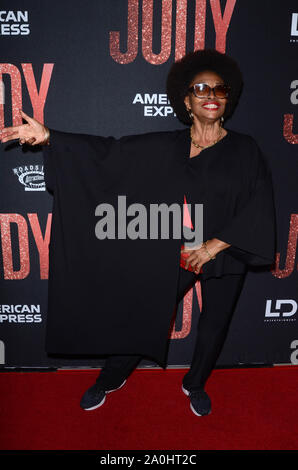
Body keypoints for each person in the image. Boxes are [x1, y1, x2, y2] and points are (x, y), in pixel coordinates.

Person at [0, 49, 276, 417]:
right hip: (174, 250)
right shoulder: (166, 146)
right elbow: (109, 153)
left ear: (229, 98)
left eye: (219, 89)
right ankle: (110, 378)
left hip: (228, 249)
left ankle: (194, 383)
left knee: (215, 325)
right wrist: (51, 137)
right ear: (186, 100)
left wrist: (212, 247)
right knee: (141, 316)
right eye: (201, 88)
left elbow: (258, 205)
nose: (211, 95)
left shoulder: (245, 149)